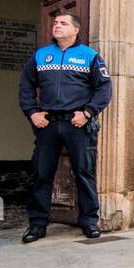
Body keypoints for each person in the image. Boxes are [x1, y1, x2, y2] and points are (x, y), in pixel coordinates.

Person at [18, 12, 113, 242]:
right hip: (48, 123)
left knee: (84, 172)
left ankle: (89, 222)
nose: (56, 26)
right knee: (42, 174)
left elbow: (104, 88)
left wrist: (88, 113)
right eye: (55, 23)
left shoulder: (89, 56)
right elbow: (26, 86)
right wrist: (32, 112)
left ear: (75, 30)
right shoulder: (41, 56)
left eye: (63, 23)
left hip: (77, 123)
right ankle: (38, 225)